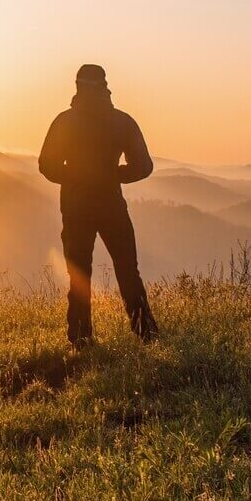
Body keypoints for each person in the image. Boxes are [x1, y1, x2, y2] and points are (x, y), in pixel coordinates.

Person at [39, 64, 159, 347]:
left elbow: (47, 166)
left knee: (79, 273)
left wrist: (76, 176)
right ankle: (146, 334)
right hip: (112, 205)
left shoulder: (64, 121)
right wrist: (113, 174)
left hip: (75, 206)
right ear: (105, 85)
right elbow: (144, 166)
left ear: (77, 86)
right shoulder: (122, 121)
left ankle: (81, 339)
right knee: (128, 269)